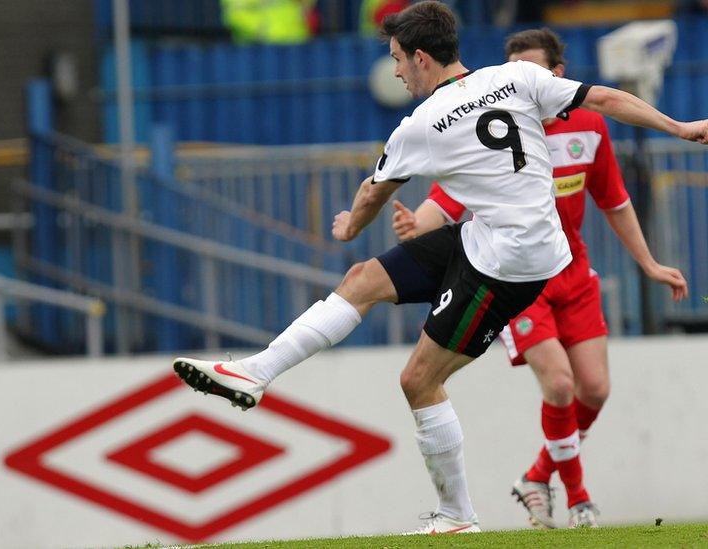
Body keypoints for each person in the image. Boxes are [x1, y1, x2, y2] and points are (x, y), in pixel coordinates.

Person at [171, 1, 707, 535]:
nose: (398, 72)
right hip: (496, 241)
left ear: (422, 57)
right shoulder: (518, 76)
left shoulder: (422, 124)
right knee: (361, 280)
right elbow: (608, 97)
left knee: (419, 380)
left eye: (399, 60)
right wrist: (679, 127)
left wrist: (348, 228)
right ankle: (255, 371)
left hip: (508, 267)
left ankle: (457, 517)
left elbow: (372, 192)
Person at [390, 28, 688, 529]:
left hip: (574, 275)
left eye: (536, 69)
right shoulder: (489, 127)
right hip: (517, 281)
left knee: (593, 389)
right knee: (560, 384)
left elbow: (613, 200)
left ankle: (535, 476)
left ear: (557, 75)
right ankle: (579, 501)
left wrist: (650, 264)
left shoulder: (589, 127)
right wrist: (414, 225)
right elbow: (444, 201)